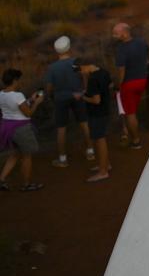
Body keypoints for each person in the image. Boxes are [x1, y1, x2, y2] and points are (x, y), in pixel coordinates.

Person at [44, 35, 94, 167]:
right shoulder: (75, 62)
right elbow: (85, 75)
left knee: (61, 128)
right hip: (78, 95)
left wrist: (50, 95)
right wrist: (84, 89)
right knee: (84, 122)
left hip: (60, 98)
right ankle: (90, 151)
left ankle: (62, 159)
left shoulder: (52, 67)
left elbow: (49, 86)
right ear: (68, 48)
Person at [1, 68, 46, 191]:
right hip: (21, 129)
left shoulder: (1, 94)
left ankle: (1, 180)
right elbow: (28, 113)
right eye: (18, 80)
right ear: (15, 80)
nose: (19, 82)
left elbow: (17, 107)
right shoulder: (17, 95)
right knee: (27, 155)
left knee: (15, 154)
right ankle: (26, 184)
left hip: (8, 127)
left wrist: (30, 100)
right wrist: (37, 102)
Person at [111, 22, 149, 150]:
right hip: (142, 80)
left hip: (129, 84)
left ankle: (136, 141)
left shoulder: (121, 49)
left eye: (116, 33)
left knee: (130, 113)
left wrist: (117, 85)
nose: (114, 36)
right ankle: (132, 135)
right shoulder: (142, 42)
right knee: (134, 108)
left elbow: (121, 71)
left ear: (124, 32)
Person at [78, 59, 113, 182]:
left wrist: (83, 97)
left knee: (100, 140)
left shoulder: (93, 79)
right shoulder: (104, 72)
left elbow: (96, 100)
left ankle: (103, 172)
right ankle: (105, 164)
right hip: (104, 110)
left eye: (80, 70)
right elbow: (110, 86)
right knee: (101, 138)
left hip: (97, 113)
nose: (80, 73)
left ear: (84, 66)